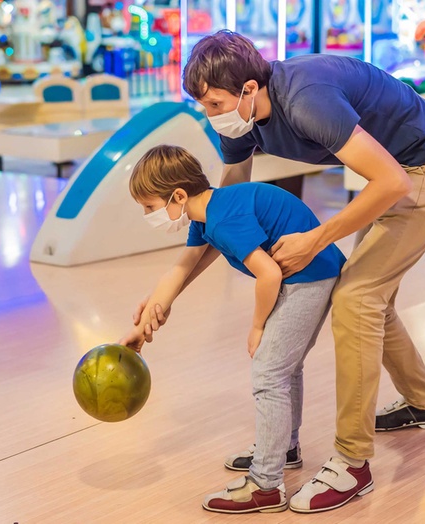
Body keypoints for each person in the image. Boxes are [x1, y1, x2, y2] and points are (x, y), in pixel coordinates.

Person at [127, 30, 425, 514]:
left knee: (356, 298)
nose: (211, 115)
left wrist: (317, 237)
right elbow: (222, 210)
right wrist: (166, 295)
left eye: (215, 103)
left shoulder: (307, 101)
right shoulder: (239, 120)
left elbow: (391, 180)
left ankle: (353, 462)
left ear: (249, 89)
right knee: (370, 293)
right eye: (203, 105)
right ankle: (423, 404)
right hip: (392, 169)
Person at [121, 145, 347, 514]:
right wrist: (143, 327)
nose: (148, 215)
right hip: (306, 275)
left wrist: (257, 326)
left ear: (178, 195)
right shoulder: (208, 213)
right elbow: (180, 270)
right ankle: (283, 449)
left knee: (269, 372)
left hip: (309, 278)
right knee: (283, 369)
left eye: (149, 207)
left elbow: (269, 273)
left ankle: (266, 485)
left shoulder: (223, 218)